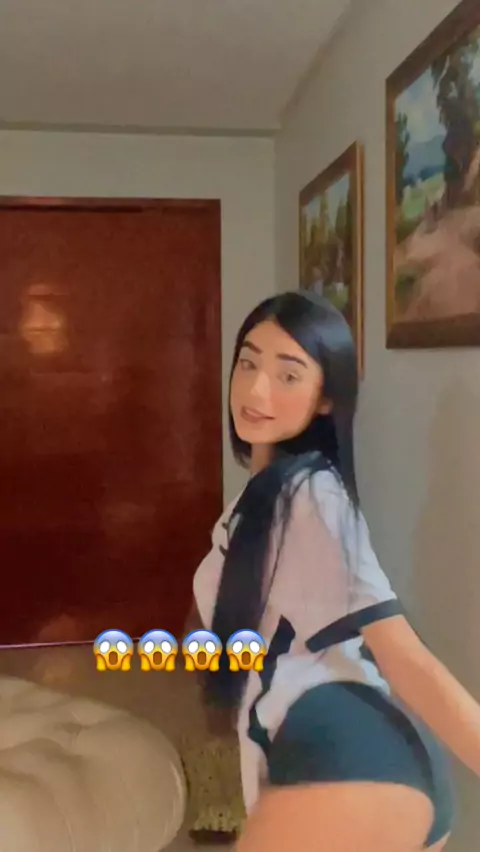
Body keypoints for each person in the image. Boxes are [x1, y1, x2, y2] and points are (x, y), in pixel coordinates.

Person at [192, 290, 480, 851]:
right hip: (332, 753)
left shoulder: (310, 497)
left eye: (288, 374)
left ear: (326, 398)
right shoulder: (263, 497)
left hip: (352, 751)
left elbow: (404, 655)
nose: (256, 390)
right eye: (248, 363)